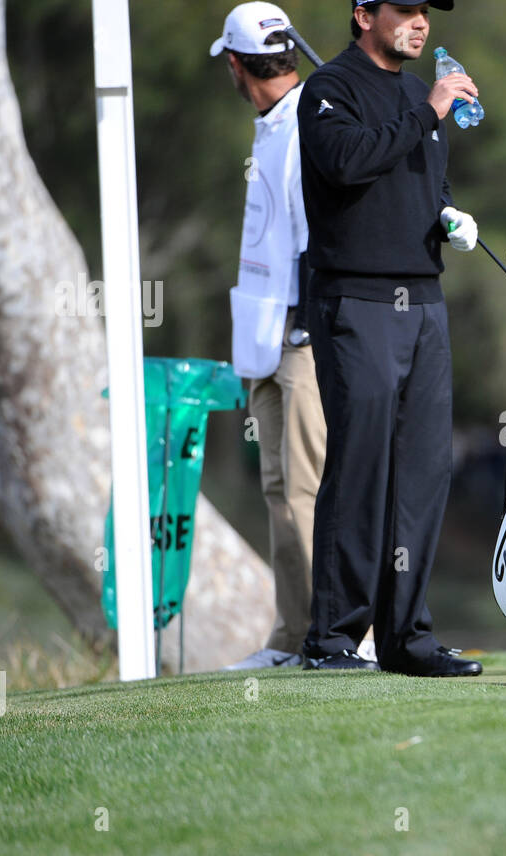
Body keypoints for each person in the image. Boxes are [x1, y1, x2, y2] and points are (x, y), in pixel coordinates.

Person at [296, 0, 483, 676]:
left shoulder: (416, 95)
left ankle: (407, 637)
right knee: (362, 466)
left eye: (425, 11)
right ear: (363, 14)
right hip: (357, 300)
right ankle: (335, 638)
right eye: (405, 10)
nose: (421, 23)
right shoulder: (329, 90)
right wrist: (428, 112)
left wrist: (448, 216)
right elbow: (346, 162)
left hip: (424, 301)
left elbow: (423, 186)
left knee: (424, 472)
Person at [210, 3, 329, 671]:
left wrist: (306, 325)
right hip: (266, 335)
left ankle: (337, 634)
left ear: (235, 65)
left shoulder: (308, 121)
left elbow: (315, 233)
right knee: (282, 493)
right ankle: (293, 635)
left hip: (300, 338)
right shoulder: (274, 123)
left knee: (309, 490)